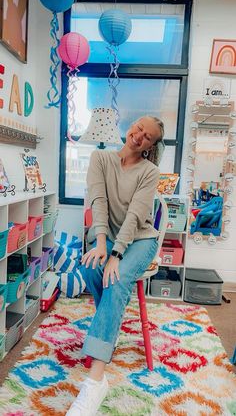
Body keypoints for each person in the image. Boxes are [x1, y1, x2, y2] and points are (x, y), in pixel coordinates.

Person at [66, 115, 164, 416]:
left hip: (141, 240)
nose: (139, 136)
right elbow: (98, 201)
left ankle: (95, 381)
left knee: (117, 278)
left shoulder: (149, 171)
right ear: (130, 126)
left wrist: (116, 253)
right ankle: (107, 325)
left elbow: (135, 216)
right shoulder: (100, 158)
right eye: (138, 127)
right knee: (89, 267)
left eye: (147, 136)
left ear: (150, 146)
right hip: (108, 236)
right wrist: (99, 243)